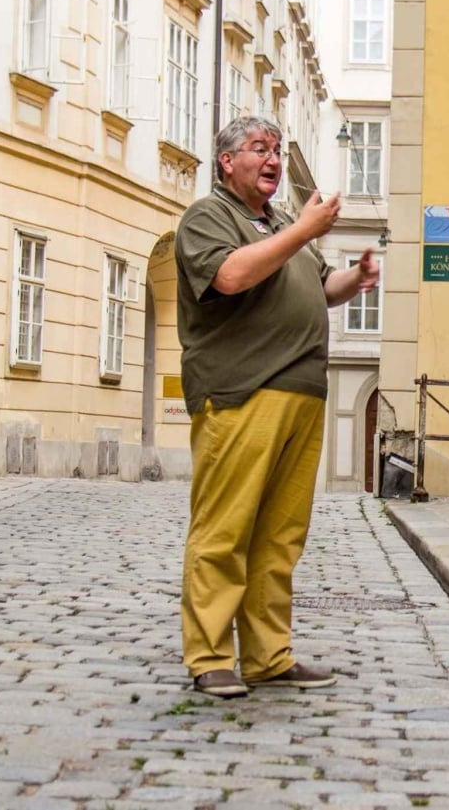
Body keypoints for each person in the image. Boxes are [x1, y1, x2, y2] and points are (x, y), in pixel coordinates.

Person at [176, 115, 380, 698]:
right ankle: (211, 655)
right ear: (226, 162)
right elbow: (232, 276)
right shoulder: (209, 217)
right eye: (258, 150)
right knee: (225, 530)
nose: (271, 160)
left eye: (275, 151)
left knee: (279, 536)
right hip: (241, 392)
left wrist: (355, 278)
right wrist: (305, 230)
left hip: (300, 393)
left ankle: (268, 655)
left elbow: (320, 289)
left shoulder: (279, 224)